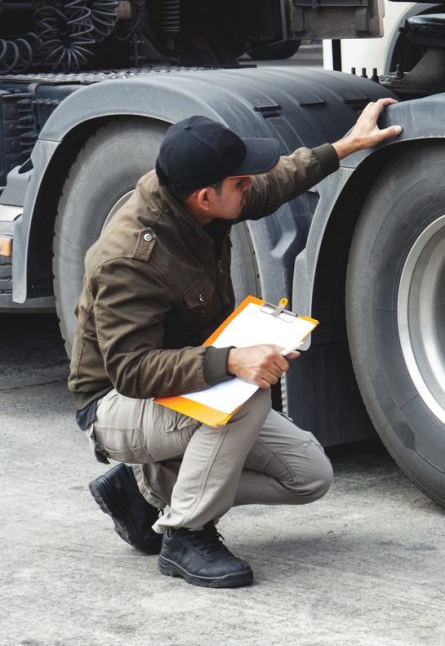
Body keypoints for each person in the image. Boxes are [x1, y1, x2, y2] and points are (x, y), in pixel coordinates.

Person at [68, 99, 402, 588]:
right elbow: (131, 370)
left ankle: (148, 490)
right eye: (240, 183)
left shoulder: (196, 203)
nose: (250, 188)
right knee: (246, 398)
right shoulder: (131, 259)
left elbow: (272, 183)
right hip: (115, 404)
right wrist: (232, 360)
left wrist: (344, 147)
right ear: (206, 196)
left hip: (180, 384)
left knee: (308, 476)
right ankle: (186, 534)